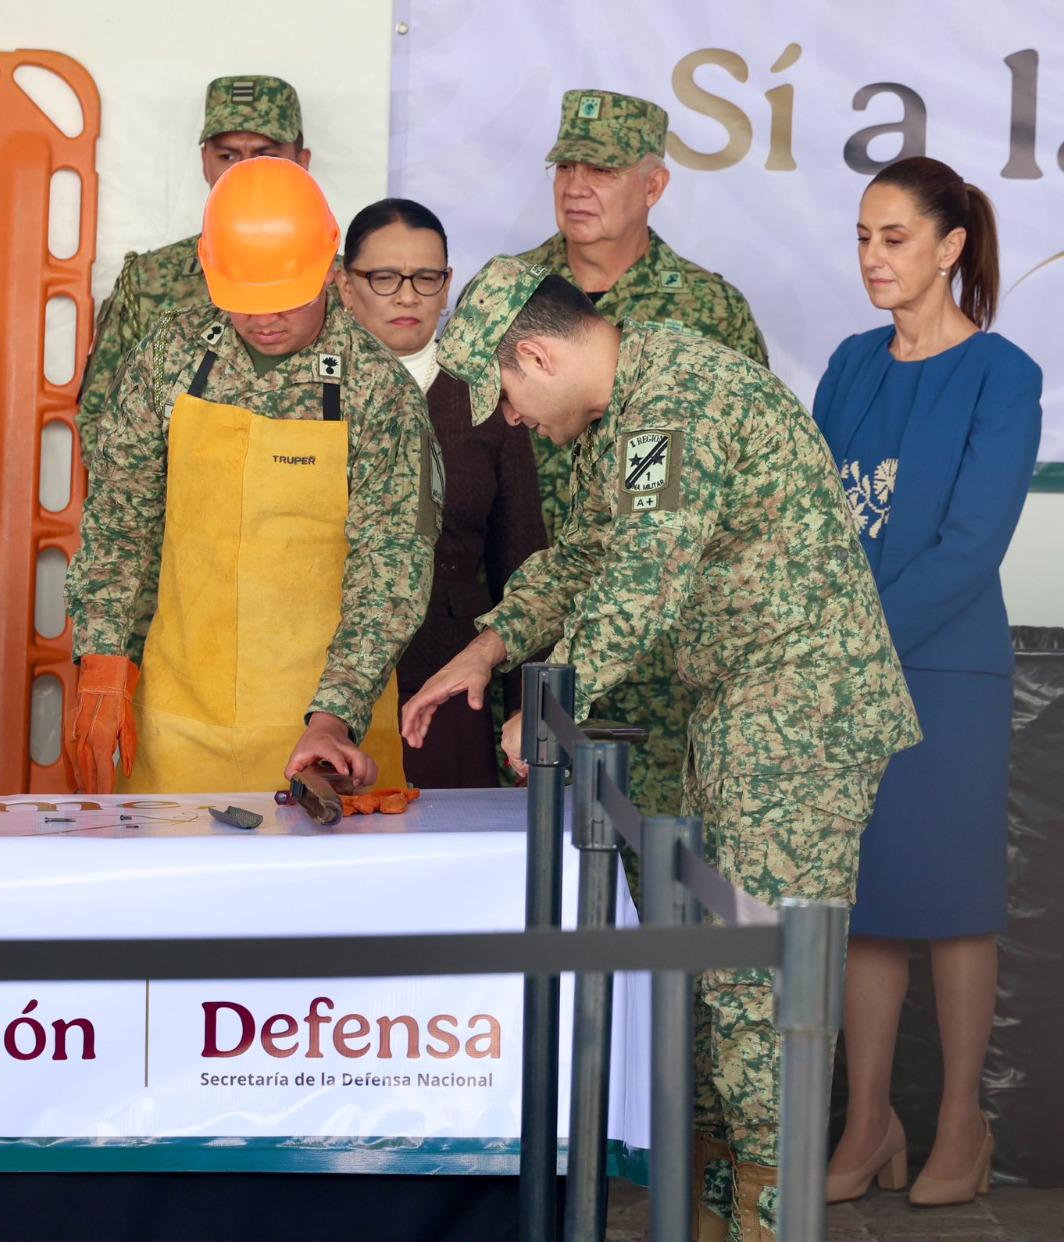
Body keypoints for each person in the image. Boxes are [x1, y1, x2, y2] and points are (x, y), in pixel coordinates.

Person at [399, 257, 920, 1240]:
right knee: (718, 971)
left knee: (759, 981)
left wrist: (552, 704)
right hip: (736, 706)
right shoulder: (629, 405)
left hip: (799, 709)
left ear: (537, 354)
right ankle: (712, 1217)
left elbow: (644, 575)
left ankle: (768, 1222)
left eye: (505, 393)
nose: (508, 420)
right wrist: (486, 649)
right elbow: (589, 557)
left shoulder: (673, 401)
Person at [65, 158, 440, 795]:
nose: (264, 320)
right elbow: (120, 523)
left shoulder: (381, 391)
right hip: (179, 722)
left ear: (327, 270)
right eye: (244, 301)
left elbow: (393, 569)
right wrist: (103, 658)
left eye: (284, 301)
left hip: (323, 743)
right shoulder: (171, 355)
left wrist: (334, 717)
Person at [816, 157, 1042, 1209]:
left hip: (944, 666)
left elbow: (970, 546)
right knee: (862, 906)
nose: (872, 257)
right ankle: (868, 1121)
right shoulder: (849, 363)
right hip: (842, 668)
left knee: (950, 905)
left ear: (949, 247)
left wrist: (854, 644)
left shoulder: (1005, 375)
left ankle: (961, 1120)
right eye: (862, 236)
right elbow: (816, 525)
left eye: (894, 237)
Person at [512, 88, 769, 841]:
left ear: (653, 186)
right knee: (529, 895)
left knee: (658, 889)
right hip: (535, 645)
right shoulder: (508, 297)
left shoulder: (708, 311)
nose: (576, 184)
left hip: (662, 673)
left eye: (602, 168)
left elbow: (733, 505)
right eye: (567, 165)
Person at [334, 198, 546, 786]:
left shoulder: (483, 395)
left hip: (445, 672)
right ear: (344, 285)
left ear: (448, 284)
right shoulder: (309, 387)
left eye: (426, 278)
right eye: (383, 277)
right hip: (320, 663)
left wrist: (531, 711)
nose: (407, 296)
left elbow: (522, 564)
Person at [76, 74, 311, 463]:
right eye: (227, 156)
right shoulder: (151, 280)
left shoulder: (339, 280)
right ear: (205, 162)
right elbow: (102, 420)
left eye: (265, 155)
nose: (243, 172)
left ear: (302, 163)